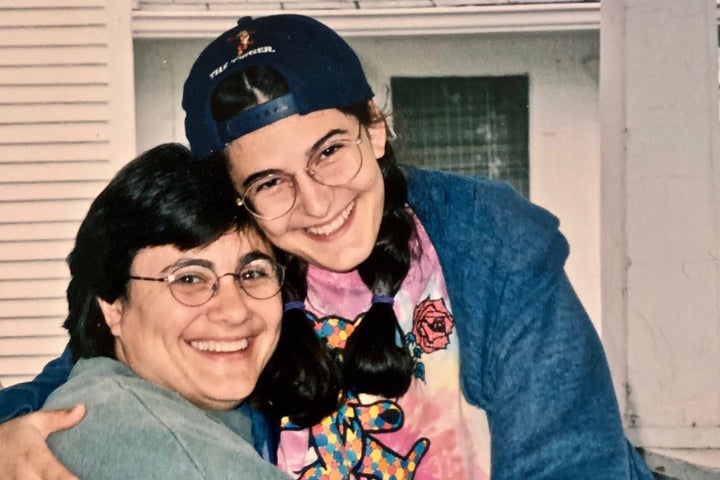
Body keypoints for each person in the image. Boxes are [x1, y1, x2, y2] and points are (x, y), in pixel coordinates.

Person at [0, 14, 654, 480]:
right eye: (270, 181)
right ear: (235, 196)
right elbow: (82, 373)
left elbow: (574, 462)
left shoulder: (492, 241)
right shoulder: (241, 278)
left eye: (330, 152)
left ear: (374, 128)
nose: (316, 205)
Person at [3, 142, 340, 479]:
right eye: (190, 278)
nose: (235, 311)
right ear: (113, 307)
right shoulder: (138, 434)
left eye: (252, 273)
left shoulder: (183, 401)